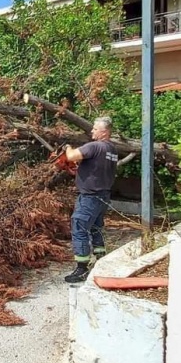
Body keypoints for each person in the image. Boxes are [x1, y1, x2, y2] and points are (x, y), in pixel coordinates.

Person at [62, 117, 118, 283]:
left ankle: (81, 268)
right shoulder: (112, 149)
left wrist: (67, 147)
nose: (91, 131)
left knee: (79, 226)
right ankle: (101, 260)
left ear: (104, 132)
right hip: (103, 195)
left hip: (90, 197)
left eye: (95, 129)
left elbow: (72, 156)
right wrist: (80, 172)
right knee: (96, 228)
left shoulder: (95, 146)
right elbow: (96, 169)